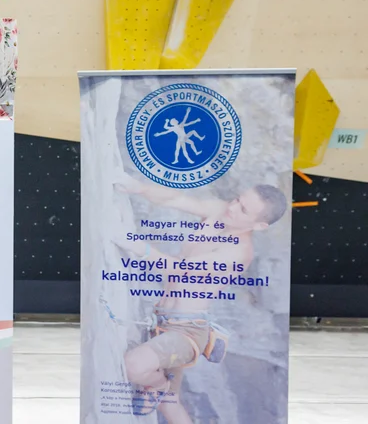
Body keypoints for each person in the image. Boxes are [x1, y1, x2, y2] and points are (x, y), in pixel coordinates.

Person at [113, 178, 289, 423]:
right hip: (161, 321)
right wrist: (139, 188)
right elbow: (175, 198)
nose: (232, 208)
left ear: (259, 225)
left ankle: (158, 385)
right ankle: (161, 389)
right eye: (237, 200)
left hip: (186, 332)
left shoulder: (239, 252)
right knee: (169, 403)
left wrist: (138, 247)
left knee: (134, 366)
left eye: (243, 210)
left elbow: (180, 271)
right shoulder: (221, 211)